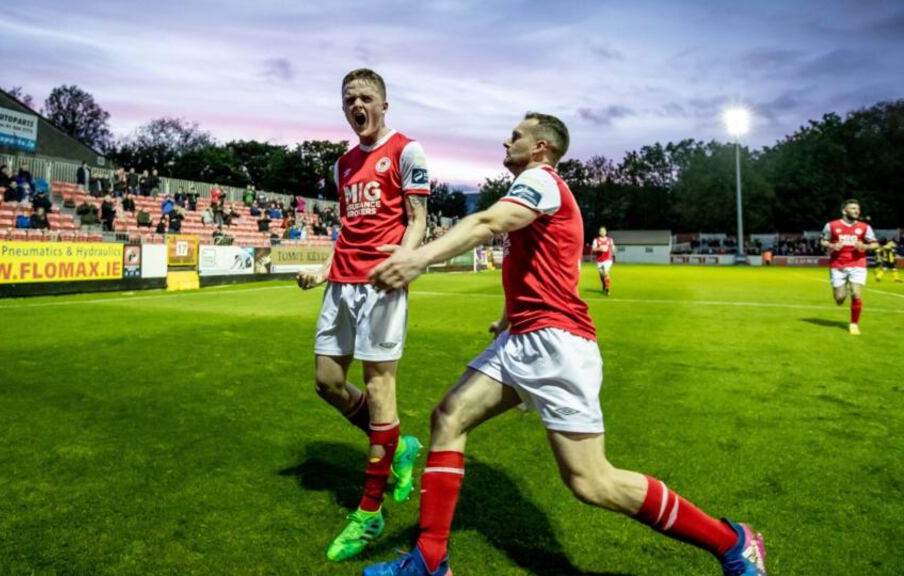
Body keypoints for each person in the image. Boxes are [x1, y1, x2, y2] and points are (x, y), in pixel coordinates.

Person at [364, 112, 766, 576]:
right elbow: (545, 263)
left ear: (540, 148)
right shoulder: (535, 188)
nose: (505, 140)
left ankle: (733, 541)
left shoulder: (543, 181)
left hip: (557, 345)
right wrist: (507, 317)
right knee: (448, 416)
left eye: (515, 136)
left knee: (592, 481)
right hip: (524, 336)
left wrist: (417, 258)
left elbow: (489, 221)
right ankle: (430, 560)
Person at [295, 68, 430, 562]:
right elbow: (348, 229)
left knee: (378, 388)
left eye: (366, 97)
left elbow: (417, 221)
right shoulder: (342, 165)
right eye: (349, 97)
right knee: (327, 381)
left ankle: (369, 511)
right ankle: (401, 446)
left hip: (381, 285)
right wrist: (324, 269)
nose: (357, 104)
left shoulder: (407, 152)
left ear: (384, 103)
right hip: (341, 283)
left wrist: (405, 260)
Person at [820, 199, 878, 336]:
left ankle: (854, 324)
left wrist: (865, 246)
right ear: (844, 211)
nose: (856, 211)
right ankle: (843, 289)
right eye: (852, 208)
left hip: (858, 264)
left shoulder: (865, 227)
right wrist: (832, 246)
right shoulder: (831, 225)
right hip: (837, 265)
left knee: (856, 294)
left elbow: (875, 244)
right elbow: (823, 240)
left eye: (857, 209)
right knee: (839, 299)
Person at [591, 226, 615, 295]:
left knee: (606, 272)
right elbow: (593, 249)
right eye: (601, 231)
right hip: (600, 260)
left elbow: (613, 247)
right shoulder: (596, 240)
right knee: (601, 275)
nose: (602, 232)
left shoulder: (610, 240)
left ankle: (607, 289)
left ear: (606, 232)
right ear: (599, 232)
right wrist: (599, 249)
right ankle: (604, 285)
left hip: (608, 259)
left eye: (604, 231)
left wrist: (613, 249)